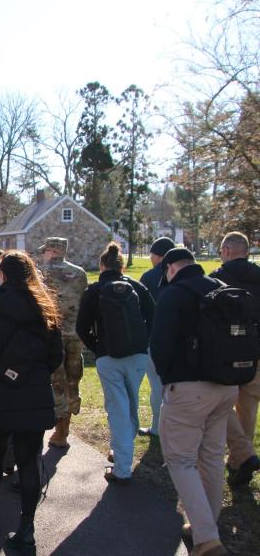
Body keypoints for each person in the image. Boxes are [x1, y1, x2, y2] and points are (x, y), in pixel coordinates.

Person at [0, 250, 63, 553]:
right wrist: (34, 375)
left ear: (3, 274)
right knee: (28, 460)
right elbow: (55, 356)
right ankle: (26, 526)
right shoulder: (45, 307)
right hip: (34, 390)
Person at [151, 248, 238, 556]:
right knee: (212, 457)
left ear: (171, 267)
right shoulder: (222, 288)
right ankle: (206, 526)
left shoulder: (174, 295)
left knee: (181, 461)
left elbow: (159, 346)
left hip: (188, 388)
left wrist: (168, 378)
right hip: (227, 386)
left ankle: (207, 538)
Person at [76, 242, 155, 484]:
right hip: (138, 356)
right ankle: (121, 450)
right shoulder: (136, 287)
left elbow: (82, 328)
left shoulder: (95, 290)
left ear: (102, 265)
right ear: (121, 265)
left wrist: (99, 348)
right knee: (129, 404)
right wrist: (143, 343)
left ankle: (122, 468)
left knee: (118, 409)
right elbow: (153, 317)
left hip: (108, 358)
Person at [210, 231, 260, 486]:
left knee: (220, 406)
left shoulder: (216, 280)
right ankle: (239, 461)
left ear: (227, 251)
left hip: (225, 355)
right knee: (248, 408)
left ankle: (242, 456)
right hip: (256, 351)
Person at [37, 237, 88, 449]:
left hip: (51, 334)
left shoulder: (40, 273)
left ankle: (58, 429)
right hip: (75, 333)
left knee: (55, 381)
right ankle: (64, 429)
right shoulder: (80, 273)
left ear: (51, 250)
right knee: (72, 378)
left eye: (45, 251)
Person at [138, 236, 176, 438]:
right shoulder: (182, 276)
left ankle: (158, 427)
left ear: (158, 255)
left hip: (153, 339)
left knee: (157, 387)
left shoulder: (148, 277)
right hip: (181, 340)